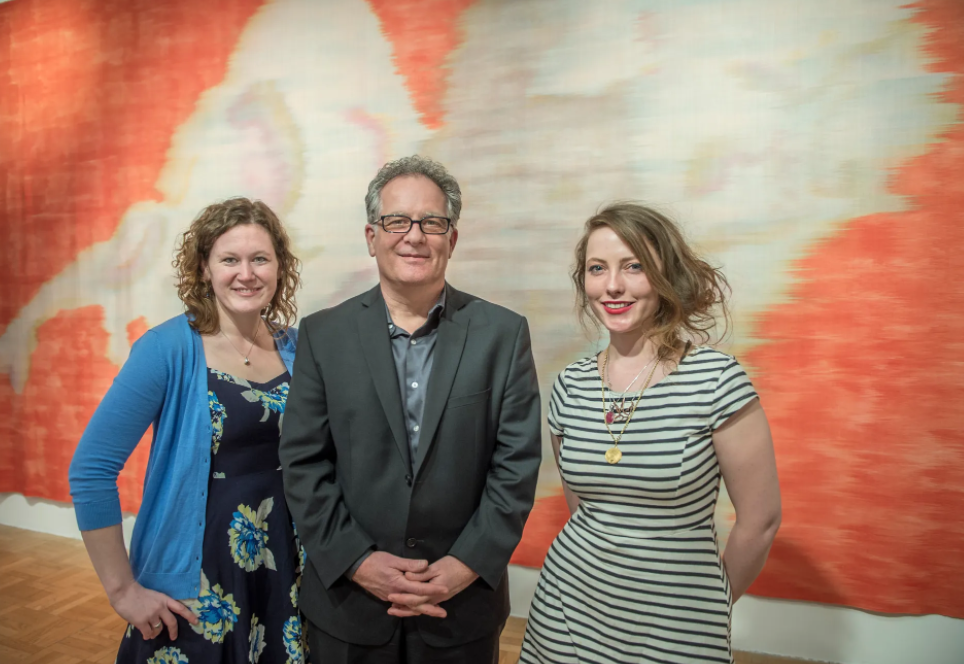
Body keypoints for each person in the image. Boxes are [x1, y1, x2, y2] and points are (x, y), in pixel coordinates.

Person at [279, 155, 542, 663]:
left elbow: (516, 466)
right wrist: (356, 560)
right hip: (348, 605)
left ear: (453, 238)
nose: (414, 236)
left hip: (461, 608)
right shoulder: (323, 335)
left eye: (432, 223)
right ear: (371, 236)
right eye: (397, 221)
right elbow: (304, 461)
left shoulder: (502, 335)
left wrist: (466, 563)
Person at [520, 203, 782, 664]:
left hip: (677, 627)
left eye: (634, 266)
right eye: (597, 269)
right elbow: (587, 511)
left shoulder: (716, 380)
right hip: (565, 616)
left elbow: (760, 522)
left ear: (666, 275)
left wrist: (706, 606)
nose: (613, 285)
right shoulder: (571, 384)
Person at [69, 198, 308, 664]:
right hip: (196, 576)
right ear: (203, 269)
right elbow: (91, 470)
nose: (247, 273)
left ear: (280, 268)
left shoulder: (296, 347)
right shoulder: (166, 350)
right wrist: (121, 591)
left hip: (283, 567)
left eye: (260, 258)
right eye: (229, 259)